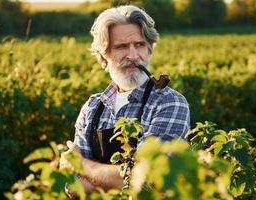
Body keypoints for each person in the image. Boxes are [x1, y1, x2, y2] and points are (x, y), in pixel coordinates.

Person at [59, 5, 190, 194]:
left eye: (139, 45)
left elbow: (147, 182)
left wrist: (81, 165)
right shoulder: (93, 107)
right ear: (104, 55)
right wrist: (118, 179)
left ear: (150, 49)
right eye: (121, 47)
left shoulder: (169, 103)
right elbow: (72, 188)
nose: (133, 56)